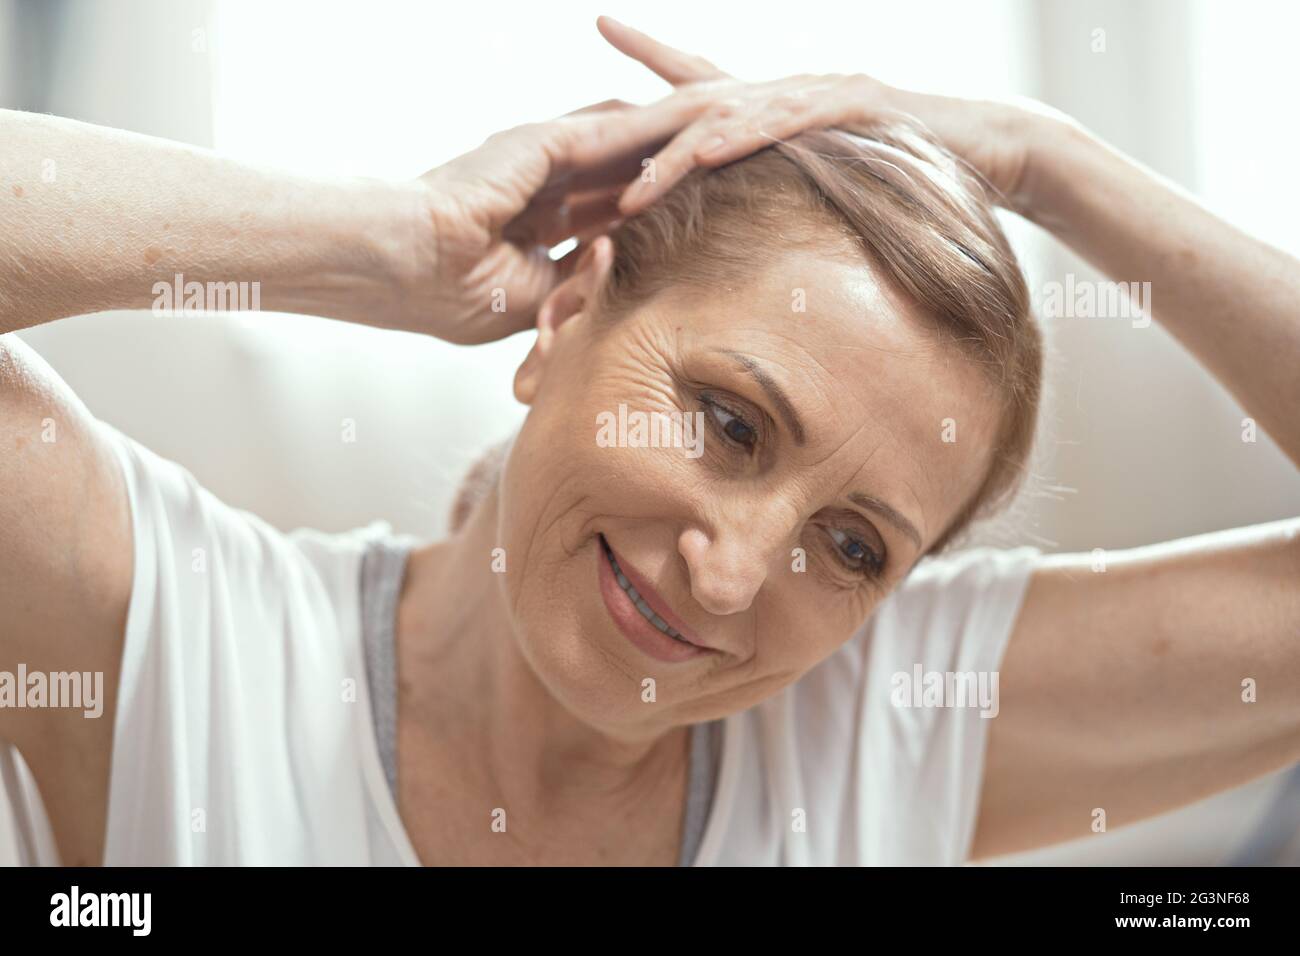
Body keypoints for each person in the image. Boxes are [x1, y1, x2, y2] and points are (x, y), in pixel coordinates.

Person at [0, 17, 1296, 866]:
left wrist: (1048, 165)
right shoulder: (164, 637)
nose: (732, 578)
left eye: (850, 547)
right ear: (567, 309)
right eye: (731, 422)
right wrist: (385, 243)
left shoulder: (888, 725)